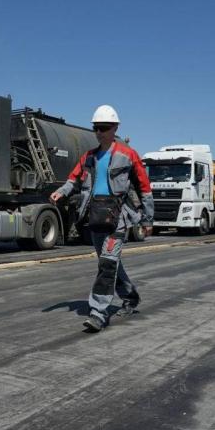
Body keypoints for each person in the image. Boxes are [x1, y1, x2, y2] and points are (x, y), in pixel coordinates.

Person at [50, 105, 154, 332]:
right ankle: (130, 296)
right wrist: (62, 191)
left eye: (104, 128)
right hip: (96, 216)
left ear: (115, 128)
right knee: (108, 262)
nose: (99, 132)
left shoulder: (128, 155)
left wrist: (147, 220)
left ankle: (98, 313)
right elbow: (73, 179)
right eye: (96, 128)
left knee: (107, 263)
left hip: (118, 218)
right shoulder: (89, 156)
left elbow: (145, 188)